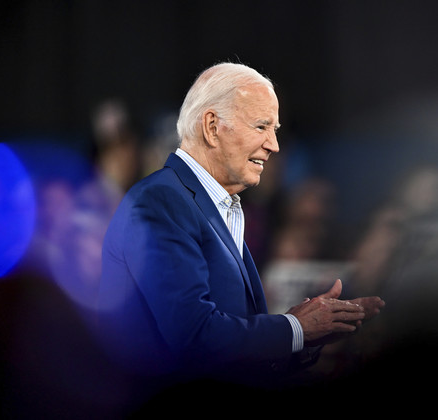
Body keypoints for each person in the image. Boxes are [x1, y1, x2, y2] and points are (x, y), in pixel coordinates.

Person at [96, 62, 384, 398]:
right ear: (212, 127)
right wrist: (294, 327)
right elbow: (193, 336)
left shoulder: (218, 204)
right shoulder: (161, 201)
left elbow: (235, 349)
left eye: (274, 129)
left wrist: (307, 338)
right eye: (262, 126)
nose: (273, 145)